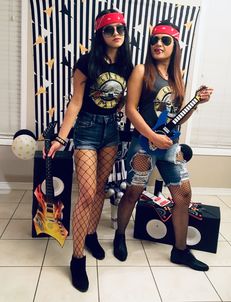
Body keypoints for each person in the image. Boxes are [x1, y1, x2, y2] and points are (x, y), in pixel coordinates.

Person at [113, 21, 213, 271]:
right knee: (134, 192)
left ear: (175, 45)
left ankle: (180, 251)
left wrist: (196, 103)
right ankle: (119, 236)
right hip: (144, 146)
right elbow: (131, 110)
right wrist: (152, 137)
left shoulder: (178, 76)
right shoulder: (140, 70)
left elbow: (178, 116)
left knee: (184, 196)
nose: (158, 44)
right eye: (154, 39)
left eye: (165, 40)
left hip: (171, 146)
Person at [46, 9, 133, 292]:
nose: (116, 34)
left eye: (120, 28)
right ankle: (77, 258)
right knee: (85, 192)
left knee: (98, 188)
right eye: (110, 30)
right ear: (100, 34)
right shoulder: (87, 62)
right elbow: (75, 102)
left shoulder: (127, 64)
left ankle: (92, 234)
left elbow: (125, 101)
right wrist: (61, 137)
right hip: (86, 129)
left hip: (111, 130)